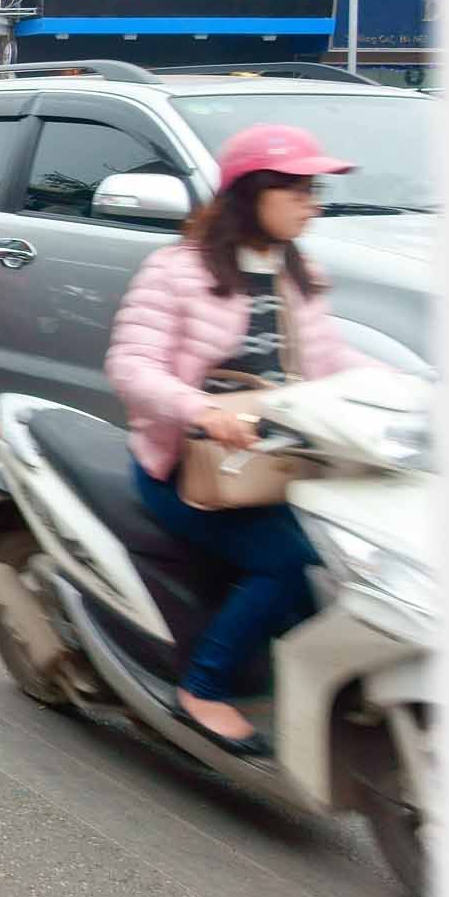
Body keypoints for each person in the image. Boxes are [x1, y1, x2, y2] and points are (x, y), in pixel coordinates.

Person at [105, 124, 379, 757]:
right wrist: (201, 412)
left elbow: (329, 357)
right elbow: (131, 367)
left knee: (349, 558)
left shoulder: (298, 269)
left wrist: (417, 394)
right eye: (299, 190)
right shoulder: (176, 271)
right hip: (188, 467)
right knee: (285, 562)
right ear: (254, 192)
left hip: (280, 463)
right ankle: (202, 689)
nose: (312, 204)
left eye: (314, 191)